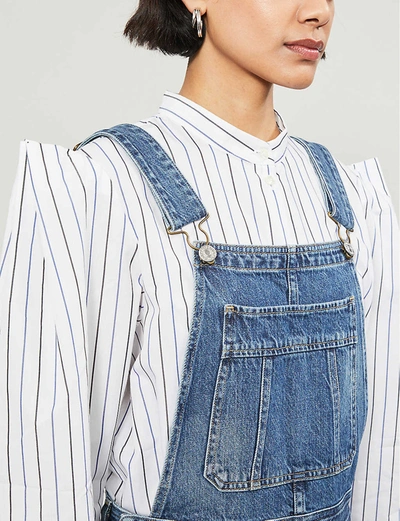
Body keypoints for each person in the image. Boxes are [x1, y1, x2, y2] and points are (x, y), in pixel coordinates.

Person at [0, 0, 398, 520]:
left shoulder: (354, 200)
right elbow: (41, 462)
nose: (318, 12)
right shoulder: (99, 186)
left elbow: (382, 459)